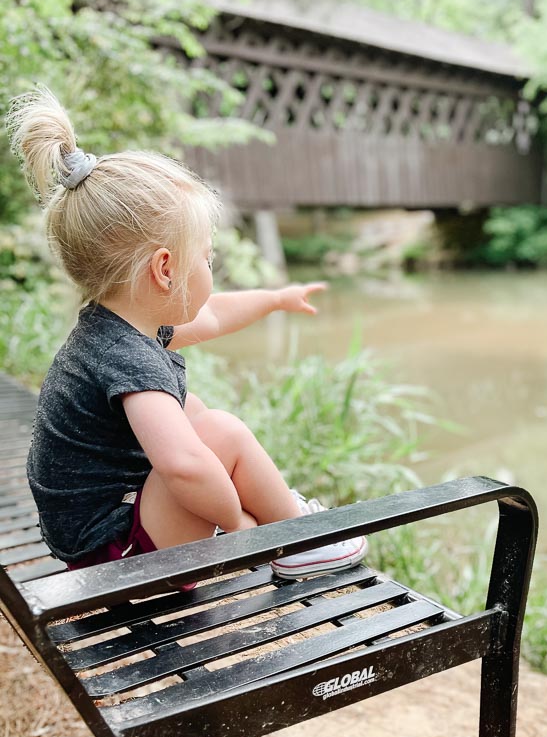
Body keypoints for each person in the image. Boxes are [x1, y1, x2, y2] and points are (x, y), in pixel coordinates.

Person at [6, 87, 367, 581]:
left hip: (108, 541)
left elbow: (213, 315)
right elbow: (183, 468)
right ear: (165, 270)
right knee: (219, 432)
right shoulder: (128, 359)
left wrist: (276, 298)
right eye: (207, 256)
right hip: (118, 565)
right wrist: (243, 528)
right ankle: (293, 539)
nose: (210, 265)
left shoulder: (115, 329)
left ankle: (285, 517)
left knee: (192, 411)